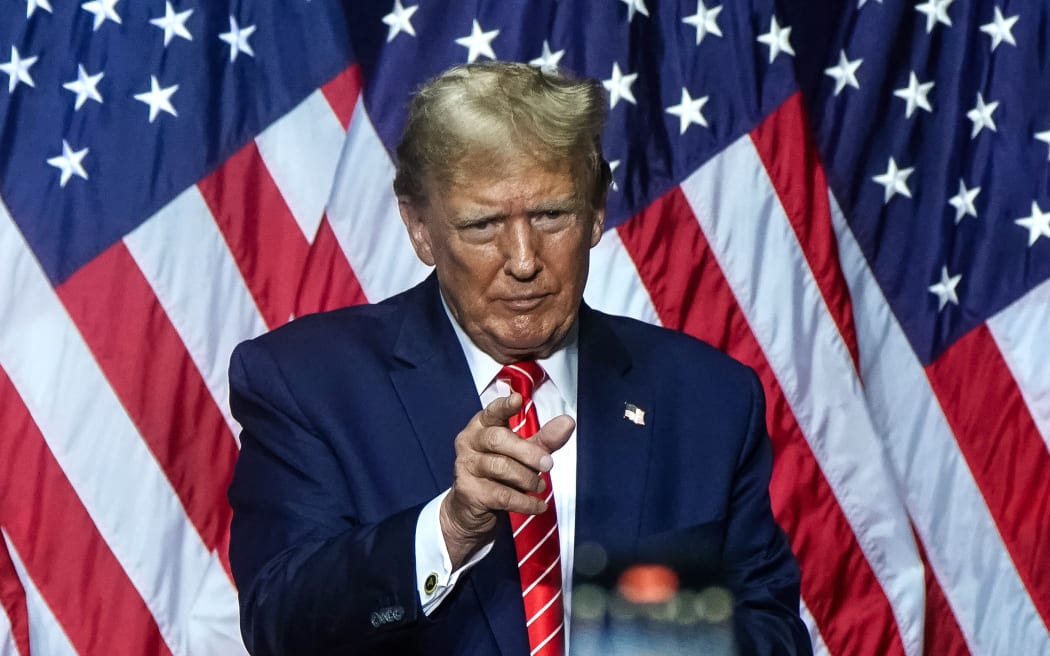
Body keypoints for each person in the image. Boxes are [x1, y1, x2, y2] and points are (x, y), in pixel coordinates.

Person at [227, 61, 811, 655]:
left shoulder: (709, 397)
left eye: (552, 215)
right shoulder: (306, 383)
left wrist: (635, 629)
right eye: (483, 225)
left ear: (597, 211)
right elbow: (281, 623)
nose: (524, 259)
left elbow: (774, 633)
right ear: (420, 228)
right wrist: (450, 527)